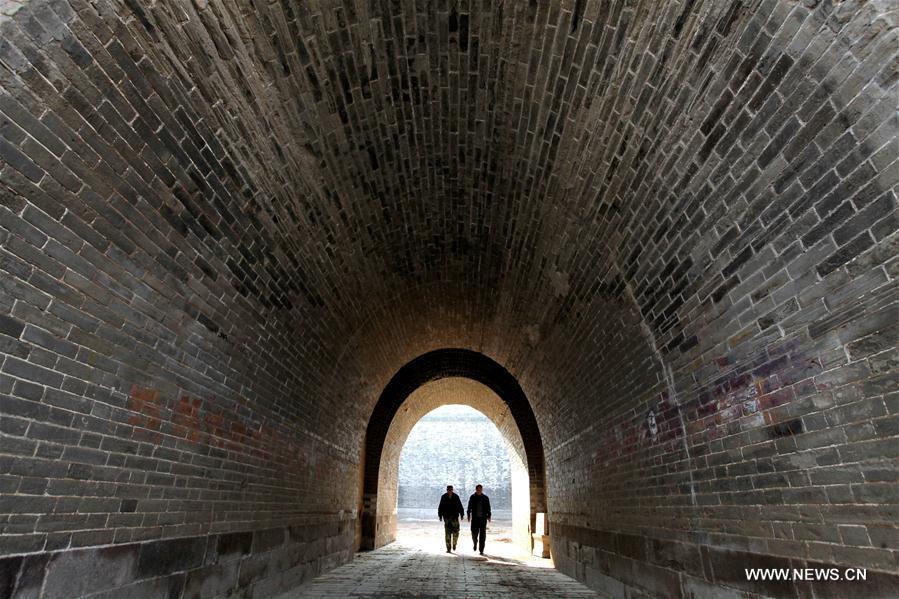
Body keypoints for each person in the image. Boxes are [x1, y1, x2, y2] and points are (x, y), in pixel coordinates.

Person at [437, 484, 464, 553]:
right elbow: (440, 507)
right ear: (447, 490)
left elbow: (460, 505)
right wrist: (440, 515)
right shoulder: (443, 497)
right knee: (447, 533)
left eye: (451, 490)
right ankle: (448, 548)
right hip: (447, 518)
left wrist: (462, 514)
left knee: (456, 532)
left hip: (455, 517)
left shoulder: (456, 497)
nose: (450, 491)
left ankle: (454, 544)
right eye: (448, 490)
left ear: (452, 490)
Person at [467, 484, 491, 555]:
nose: (479, 491)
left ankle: (481, 550)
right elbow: (469, 507)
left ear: (482, 490)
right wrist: (468, 515)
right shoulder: (472, 497)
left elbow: (488, 508)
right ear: (476, 489)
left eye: (480, 489)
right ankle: (475, 542)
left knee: (482, 535)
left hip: (483, 519)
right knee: (474, 533)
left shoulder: (485, 498)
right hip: (474, 519)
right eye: (478, 489)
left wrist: (489, 515)